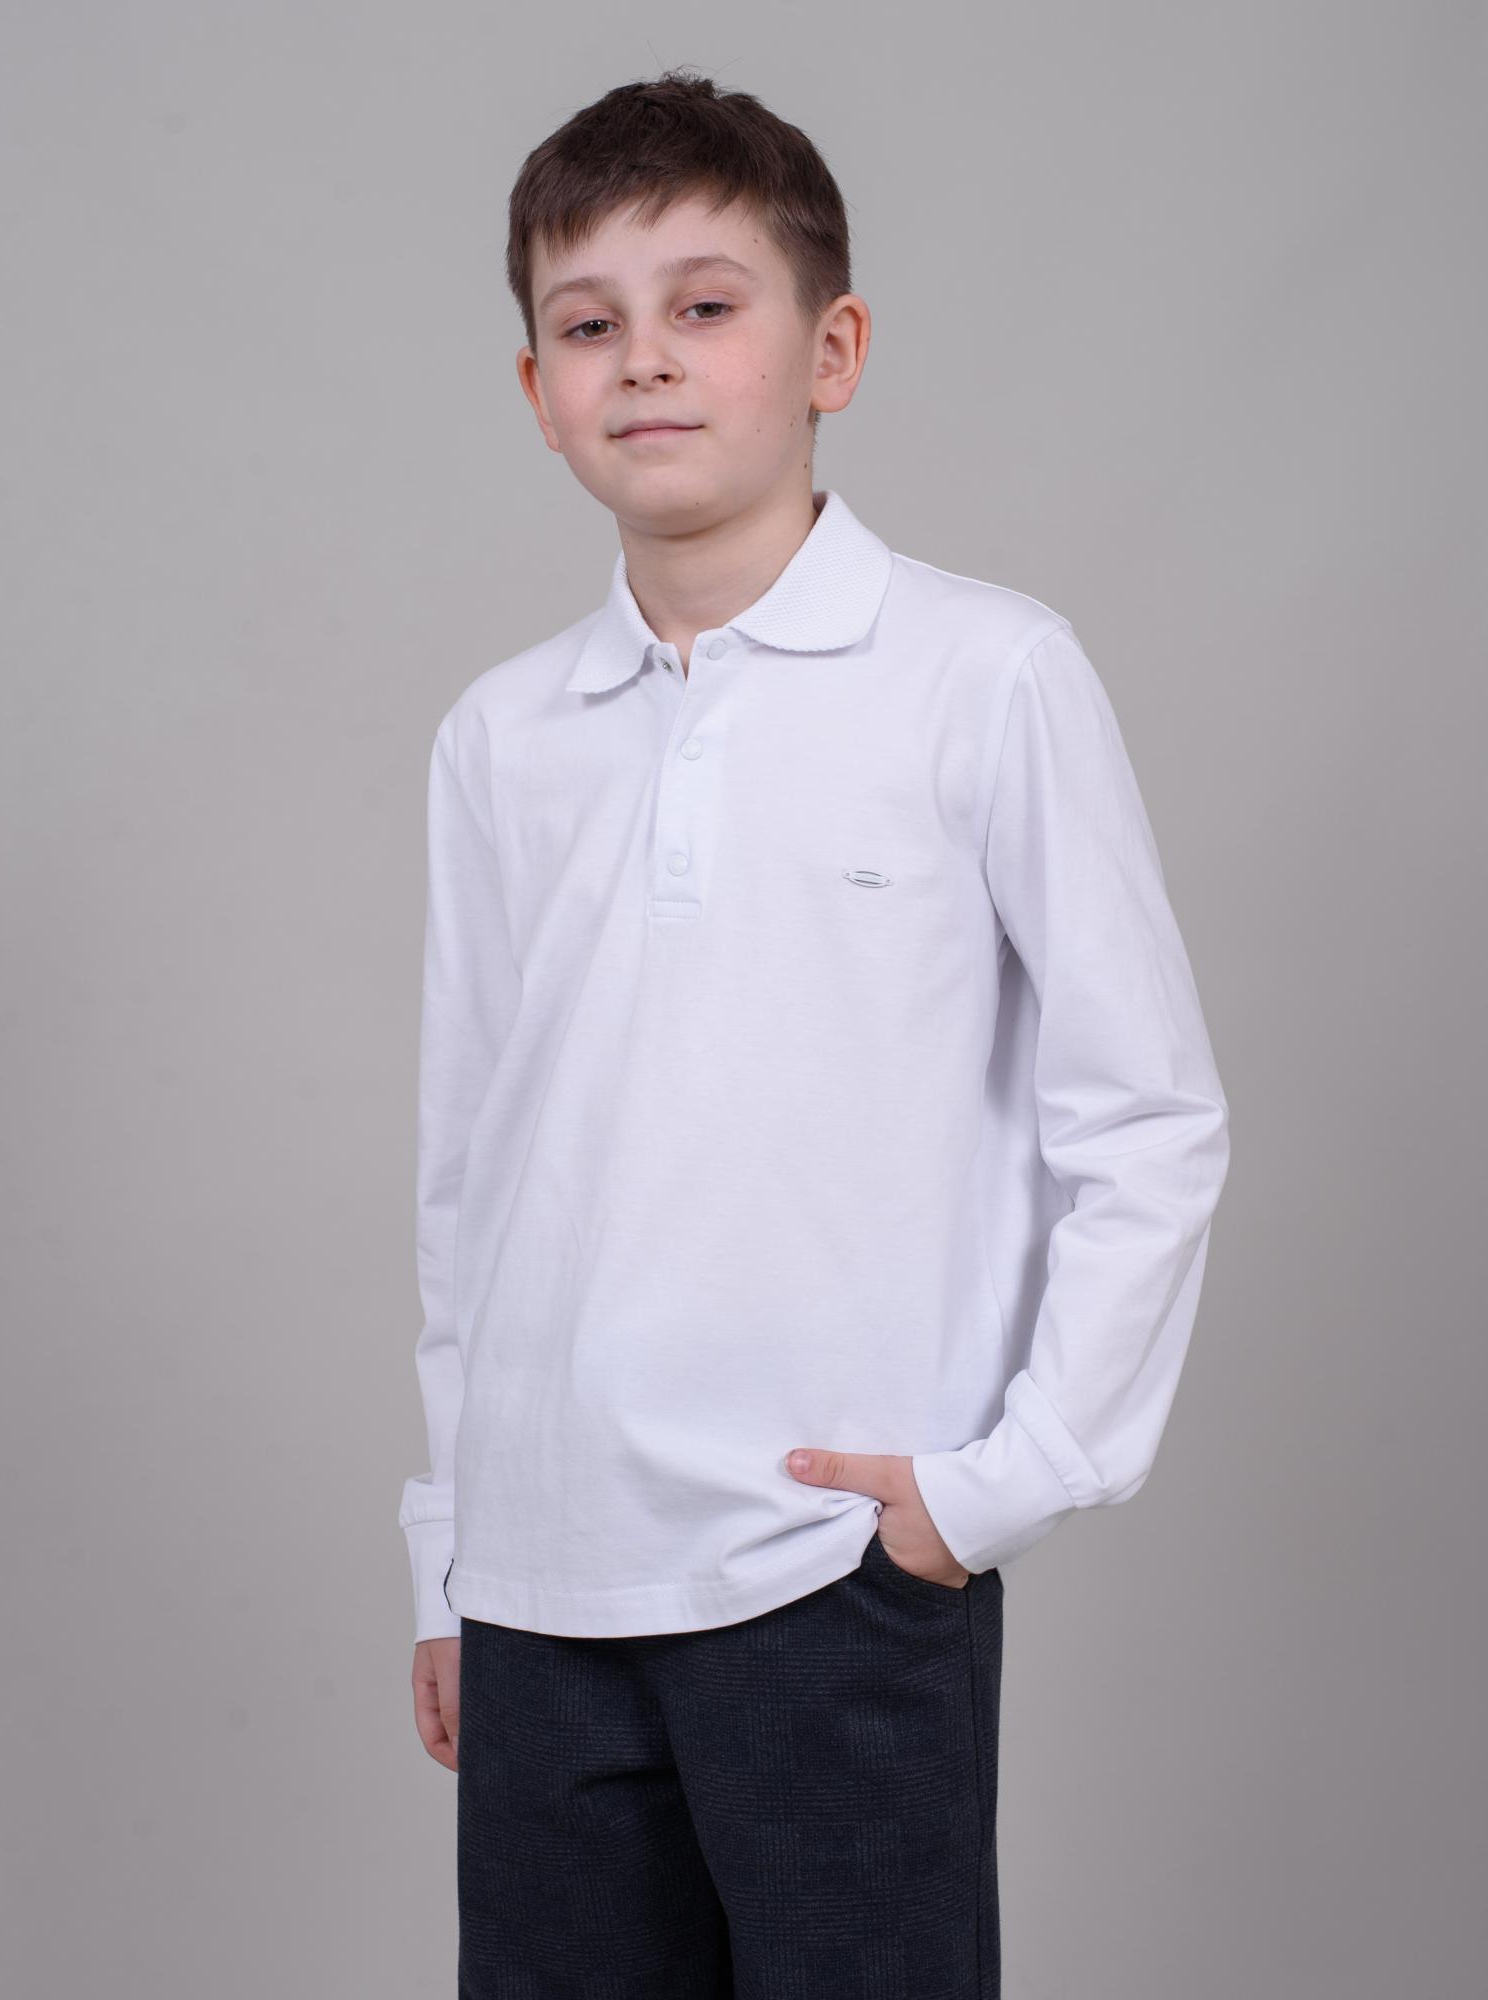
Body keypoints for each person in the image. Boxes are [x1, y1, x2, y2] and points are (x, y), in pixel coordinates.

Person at [399, 67, 1231, 1999]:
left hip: (830, 1572)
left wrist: (1003, 1482)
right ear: (535, 388)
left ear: (831, 349)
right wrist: (445, 1546)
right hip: (534, 1585)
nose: (644, 359)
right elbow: (470, 1179)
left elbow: (1147, 1119)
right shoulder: (501, 737)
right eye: (588, 325)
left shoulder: (985, 674)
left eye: (705, 306)